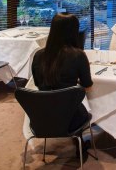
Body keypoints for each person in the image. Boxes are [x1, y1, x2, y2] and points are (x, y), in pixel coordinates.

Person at [31, 13, 93, 157]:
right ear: (73, 32)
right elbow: (88, 87)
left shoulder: (38, 55)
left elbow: (37, 83)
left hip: (41, 117)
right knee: (86, 104)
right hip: (71, 118)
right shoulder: (78, 55)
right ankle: (80, 142)